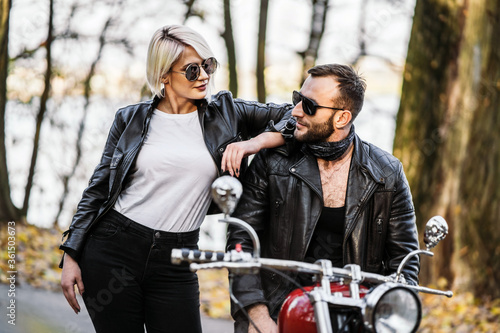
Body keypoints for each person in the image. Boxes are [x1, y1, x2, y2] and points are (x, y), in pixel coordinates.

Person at [59, 24, 292, 333]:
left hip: (177, 258)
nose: (205, 75)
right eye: (192, 70)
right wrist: (71, 253)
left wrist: (252, 143)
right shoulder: (130, 119)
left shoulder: (227, 113)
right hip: (113, 250)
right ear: (163, 75)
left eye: (208, 65)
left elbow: (296, 115)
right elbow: (99, 188)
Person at [226, 64, 420, 333]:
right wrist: (259, 318)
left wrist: (383, 318)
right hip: (276, 310)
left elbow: (404, 266)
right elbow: (240, 243)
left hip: (354, 317)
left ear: (341, 118)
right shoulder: (272, 162)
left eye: (308, 105)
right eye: (297, 99)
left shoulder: (387, 173)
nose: (294, 111)